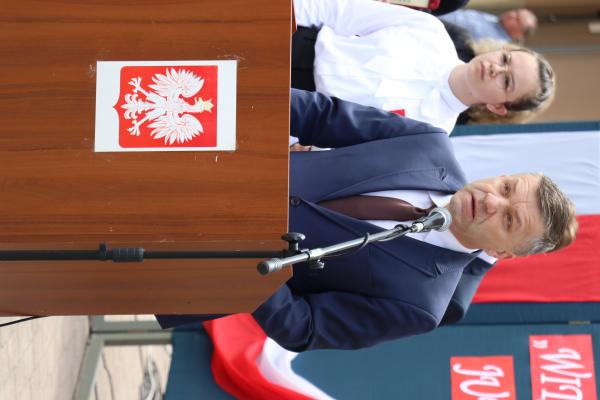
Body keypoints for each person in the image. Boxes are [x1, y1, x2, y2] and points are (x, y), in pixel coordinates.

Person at [158, 89, 578, 351]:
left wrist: (248, 264)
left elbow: (305, 327)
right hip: (198, 163)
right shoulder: (429, 144)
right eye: (506, 188)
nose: (490, 201)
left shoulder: (421, 304)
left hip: (188, 266)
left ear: (502, 253)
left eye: (509, 220)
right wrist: (234, 99)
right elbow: (320, 115)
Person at [292, 0, 554, 133]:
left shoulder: (431, 132)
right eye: (505, 59)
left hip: (294, 115)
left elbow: (346, 149)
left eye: (507, 81)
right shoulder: (430, 29)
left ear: (498, 107)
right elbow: (338, 10)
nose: (496, 69)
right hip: (294, 43)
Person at [440, 8, 538, 43]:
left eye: (517, 20)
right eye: (516, 12)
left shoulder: (496, 44)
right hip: (438, 13)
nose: (512, 15)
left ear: (518, 35)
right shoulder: (494, 19)